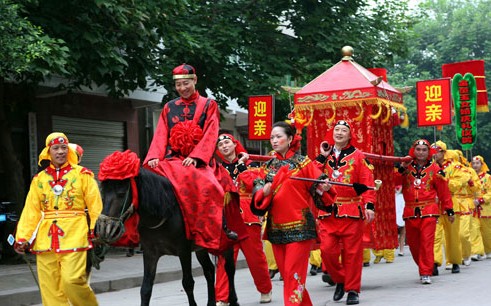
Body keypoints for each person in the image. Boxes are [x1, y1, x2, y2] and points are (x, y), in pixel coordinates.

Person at [143, 64, 237, 252]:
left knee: (211, 185)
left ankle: (221, 227)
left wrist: (196, 157)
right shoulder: (169, 107)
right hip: (174, 158)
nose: (182, 88)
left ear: (194, 81)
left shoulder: (209, 105)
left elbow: (211, 132)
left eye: (186, 83)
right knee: (149, 180)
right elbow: (161, 133)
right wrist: (154, 156)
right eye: (178, 85)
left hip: (199, 160)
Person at [251, 121, 336, 306]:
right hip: (276, 229)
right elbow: (256, 194)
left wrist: (324, 188)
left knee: (292, 276)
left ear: (290, 139)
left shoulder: (303, 163)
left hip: (300, 227)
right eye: (272, 137)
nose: (274, 140)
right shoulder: (267, 167)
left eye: (278, 136)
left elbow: (320, 187)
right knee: (292, 279)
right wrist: (262, 192)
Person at [14, 132, 102, 305]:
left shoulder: (83, 174)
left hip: (75, 234)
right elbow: (32, 210)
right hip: (45, 240)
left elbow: (95, 205)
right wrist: (22, 237)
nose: (60, 151)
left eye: (63, 147)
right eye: (56, 148)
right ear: (48, 152)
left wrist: (95, 228)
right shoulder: (39, 179)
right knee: (50, 290)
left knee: (72, 281)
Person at [315, 120, 376, 305]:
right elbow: (311, 176)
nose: (339, 133)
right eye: (336, 130)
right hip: (328, 212)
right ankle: (340, 280)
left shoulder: (358, 156)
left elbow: (367, 182)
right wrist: (321, 156)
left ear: (350, 135)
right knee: (326, 252)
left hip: (351, 211)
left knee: (353, 254)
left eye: (343, 130)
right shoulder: (324, 155)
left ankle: (352, 290)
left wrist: (369, 205)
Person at [214, 133, 272, 305]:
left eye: (227, 142)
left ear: (234, 144)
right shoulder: (216, 168)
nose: (224, 146)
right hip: (227, 220)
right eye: (220, 145)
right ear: (218, 150)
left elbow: (255, 186)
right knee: (225, 259)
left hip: (247, 218)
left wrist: (241, 167)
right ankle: (222, 297)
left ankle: (265, 289)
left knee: (255, 259)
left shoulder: (250, 164)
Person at [396, 139, 454, 285]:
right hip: (410, 211)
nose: (421, 152)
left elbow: (444, 191)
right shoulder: (406, 166)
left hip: (429, 210)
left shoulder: (435, 169)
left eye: (424, 150)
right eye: (418, 149)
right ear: (413, 151)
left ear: (429, 152)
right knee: (414, 245)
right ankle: (423, 266)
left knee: (427, 243)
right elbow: (393, 181)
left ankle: (425, 272)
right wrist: (401, 168)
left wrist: (449, 209)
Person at [471, 155, 490, 260]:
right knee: (474, 229)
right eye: (473, 163)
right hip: (472, 207)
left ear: (482, 165)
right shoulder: (470, 177)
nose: (475, 165)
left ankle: (487, 250)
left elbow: (490, 192)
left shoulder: (488, 178)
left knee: (486, 231)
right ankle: (477, 252)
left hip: (485, 208)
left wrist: (480, 200)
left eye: (477, 163)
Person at [395, 184, 406, 256]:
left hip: (403, 201)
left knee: (403, 230)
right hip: (395, 201)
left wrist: (399, 190)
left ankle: (401, 250)